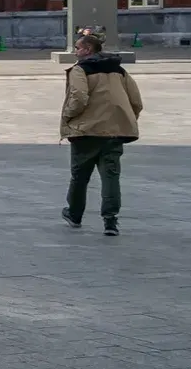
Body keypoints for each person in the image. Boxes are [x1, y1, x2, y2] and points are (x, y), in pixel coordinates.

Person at [61, 31, 142, 236]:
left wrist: (69, 116)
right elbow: (136, 101)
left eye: (78, 48)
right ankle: (110, 221)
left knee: (80, 176)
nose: (75, 52)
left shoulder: (80, 70)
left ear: (88, 50)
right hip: (114, 133)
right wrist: (125, 119)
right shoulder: (120, 70)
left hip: (86, 131)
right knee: (111, 177)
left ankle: (74, 214)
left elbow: (78, 97)